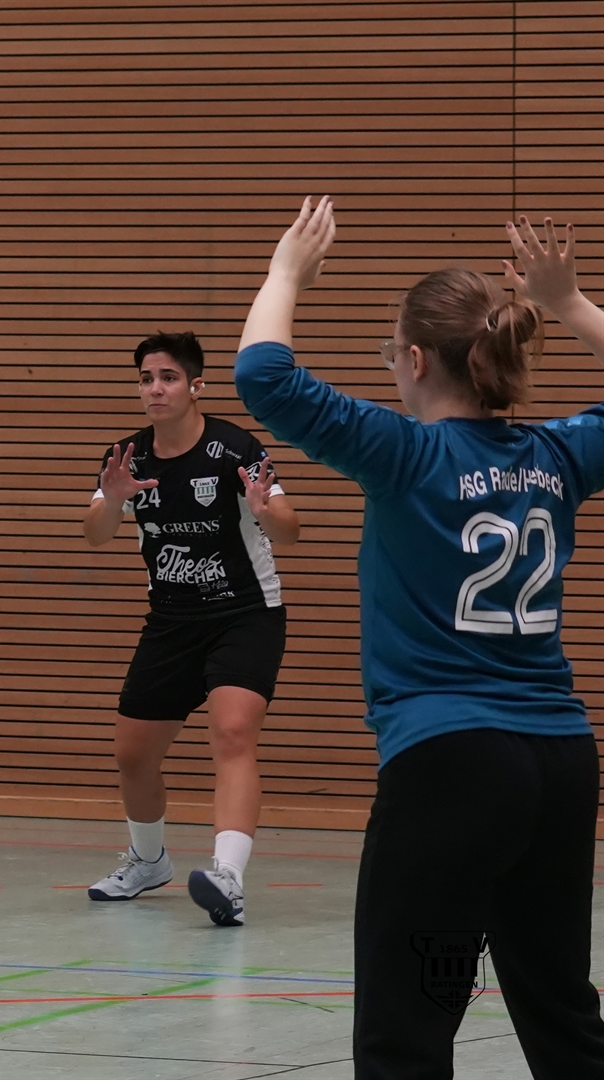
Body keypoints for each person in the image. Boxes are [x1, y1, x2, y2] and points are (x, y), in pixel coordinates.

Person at [236, 200, 604, 1076]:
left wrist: (287, 272)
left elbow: (263, 376)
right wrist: (572, 302)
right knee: (561, 1013)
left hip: (450, 767)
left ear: (413, 361)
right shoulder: (558, 455)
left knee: (408, 1025)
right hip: (560, 764)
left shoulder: (403, 453)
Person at [83, 330, 299, 926]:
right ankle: (149, 861)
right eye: (146, 379)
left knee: (232, 733)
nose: (155, 389)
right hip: (171, 620)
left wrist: (266, 509)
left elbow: (290, 529)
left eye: (169, 378)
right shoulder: (127, 457)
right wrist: (111, 499)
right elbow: (95, 534)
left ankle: (228, 877)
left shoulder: (234, 449)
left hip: (245, 614)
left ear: (196, 386)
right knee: (133, 755)